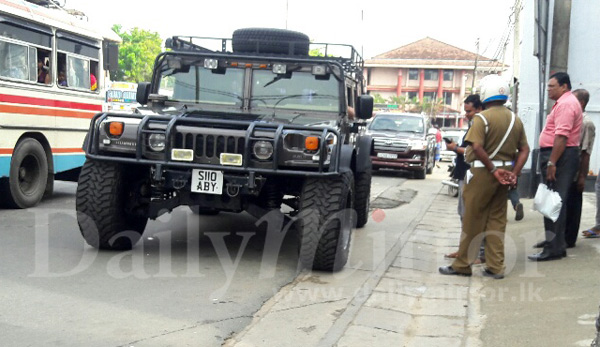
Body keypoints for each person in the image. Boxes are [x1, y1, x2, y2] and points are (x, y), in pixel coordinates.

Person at [439, 74, 529, 279]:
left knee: (472, 219)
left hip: (483, 172)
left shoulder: (482, 119)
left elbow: (476, 147)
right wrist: (513, 174)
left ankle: (462, 264)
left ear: (485, 94)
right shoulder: (516, 119)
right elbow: (524, 150)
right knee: (497, 220)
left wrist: (492, 169)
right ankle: (495, 267)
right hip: (506, 173)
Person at [528, 72, 583, 261]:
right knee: (554, 201)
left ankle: (554, 247)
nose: (549, 89)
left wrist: (552, 162)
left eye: (552, 86)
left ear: (564, 87)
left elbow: (562, 136)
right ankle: (555, 243)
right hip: (559, 153)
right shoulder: (563, 103)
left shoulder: (567, 104)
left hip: (560, 155)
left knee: (553, 201)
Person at [534, 89, 594, 246]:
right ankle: (554, 239)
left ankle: (567, 240)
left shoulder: (586, 123)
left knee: (571, 206)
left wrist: (582, 176)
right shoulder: (569, 115)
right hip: (562, 164)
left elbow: (586, 152)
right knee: (557, 204)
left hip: (572, 168)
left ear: (580, 103)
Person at [444, 94, 483, 262]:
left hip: (473, 174)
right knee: (463, 214)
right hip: (464, 173)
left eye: (469, 111)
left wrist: (455, 148)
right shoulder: (473, 125)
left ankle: (478, 252)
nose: (466, 114)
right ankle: (464, 249)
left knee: (471, 215)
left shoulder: (481, 125)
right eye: (465, 111)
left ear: (479, 109)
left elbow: (474, 152)